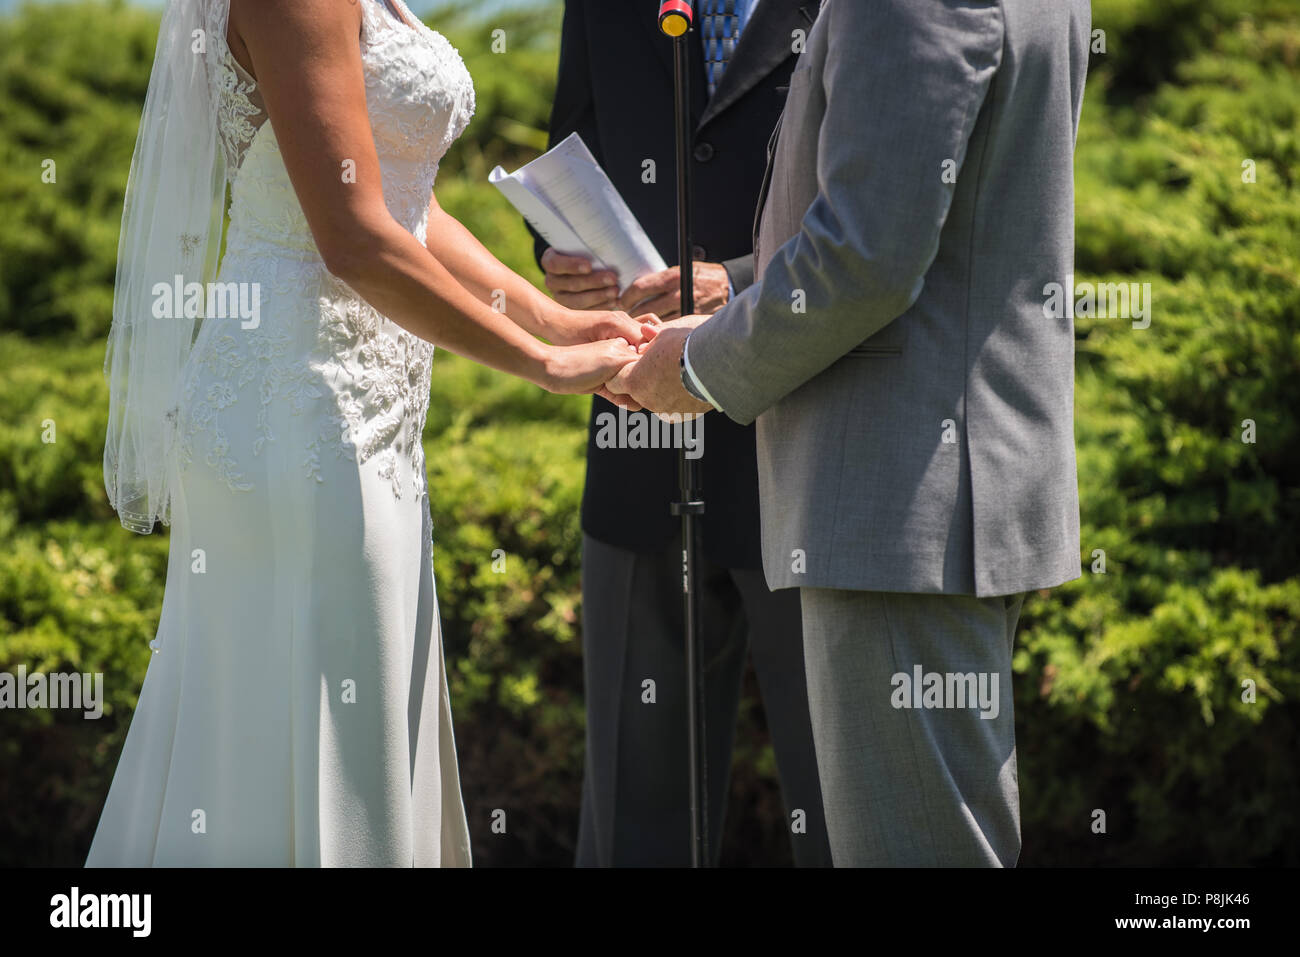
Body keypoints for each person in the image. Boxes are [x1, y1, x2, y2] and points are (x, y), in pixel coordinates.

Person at [88, 0, 645, 867]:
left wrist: (554, 319)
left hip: (371, 417)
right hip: (294, 409)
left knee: (365, 706)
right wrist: (541, 363)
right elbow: (353, 238)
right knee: (320, 719)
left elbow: (402, 204)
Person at [608, 0, 1091, 866]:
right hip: (944, 488)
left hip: (900, 499)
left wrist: (695, 370)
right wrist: (743, 288)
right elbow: (943, 214)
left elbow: (865, 258)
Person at [537, 0, 832, 866]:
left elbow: (870, 210)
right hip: (636, 440)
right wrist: (561, 257)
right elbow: (574, 143)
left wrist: (739, 281)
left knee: (842, 806)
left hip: (802, 434)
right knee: (636, 819)